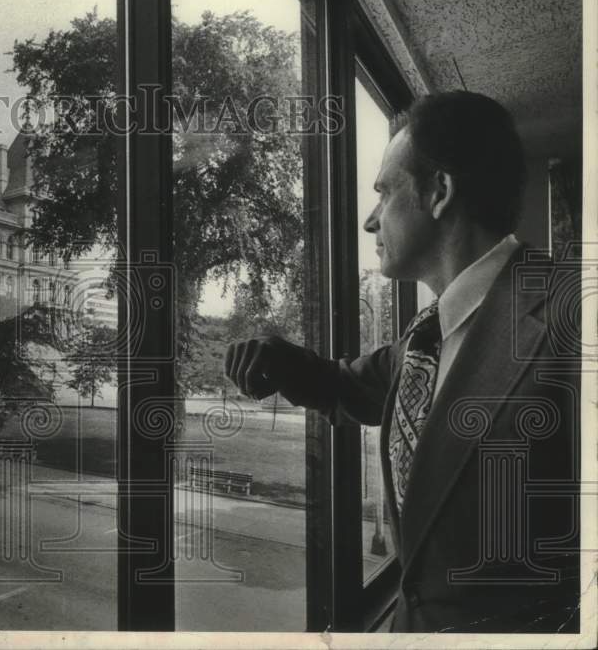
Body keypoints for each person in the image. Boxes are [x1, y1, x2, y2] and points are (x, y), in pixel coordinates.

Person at [225, 91, 580, 633]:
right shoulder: (423, 339)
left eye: (384, 193)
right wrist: (282, 359)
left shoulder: (572, 317)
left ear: (439, 191)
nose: (369, 221)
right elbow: (351, 386)